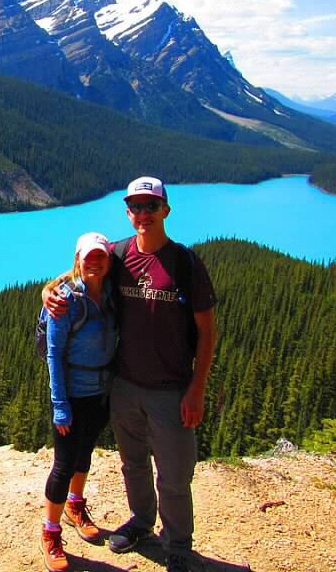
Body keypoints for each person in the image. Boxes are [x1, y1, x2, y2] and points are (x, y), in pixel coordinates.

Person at [43, 177, 217, 572]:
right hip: (122, 387)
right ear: (127, 211)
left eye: (150, 206)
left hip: (171, 389)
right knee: (133, 464)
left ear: (165, 211)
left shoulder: (185, 263)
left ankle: (178, 544)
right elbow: (83, 269)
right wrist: (49, 290)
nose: (143, 214)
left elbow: (207, 331)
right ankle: (141, 522)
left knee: (173, 475)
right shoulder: (119, 254)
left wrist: (197, 388)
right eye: (135, 207)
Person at [39, 232, 118, 572]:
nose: (95, 263)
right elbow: (54, 355)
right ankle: (50, 532)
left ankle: (75, 504)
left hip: (100, 393)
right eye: (89, 258)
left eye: (101, 256)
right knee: (63, 464)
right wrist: (60, 404)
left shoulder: (113, 291)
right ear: (77, 260)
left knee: (85, 452)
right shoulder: (65, 300)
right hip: (72, 393)